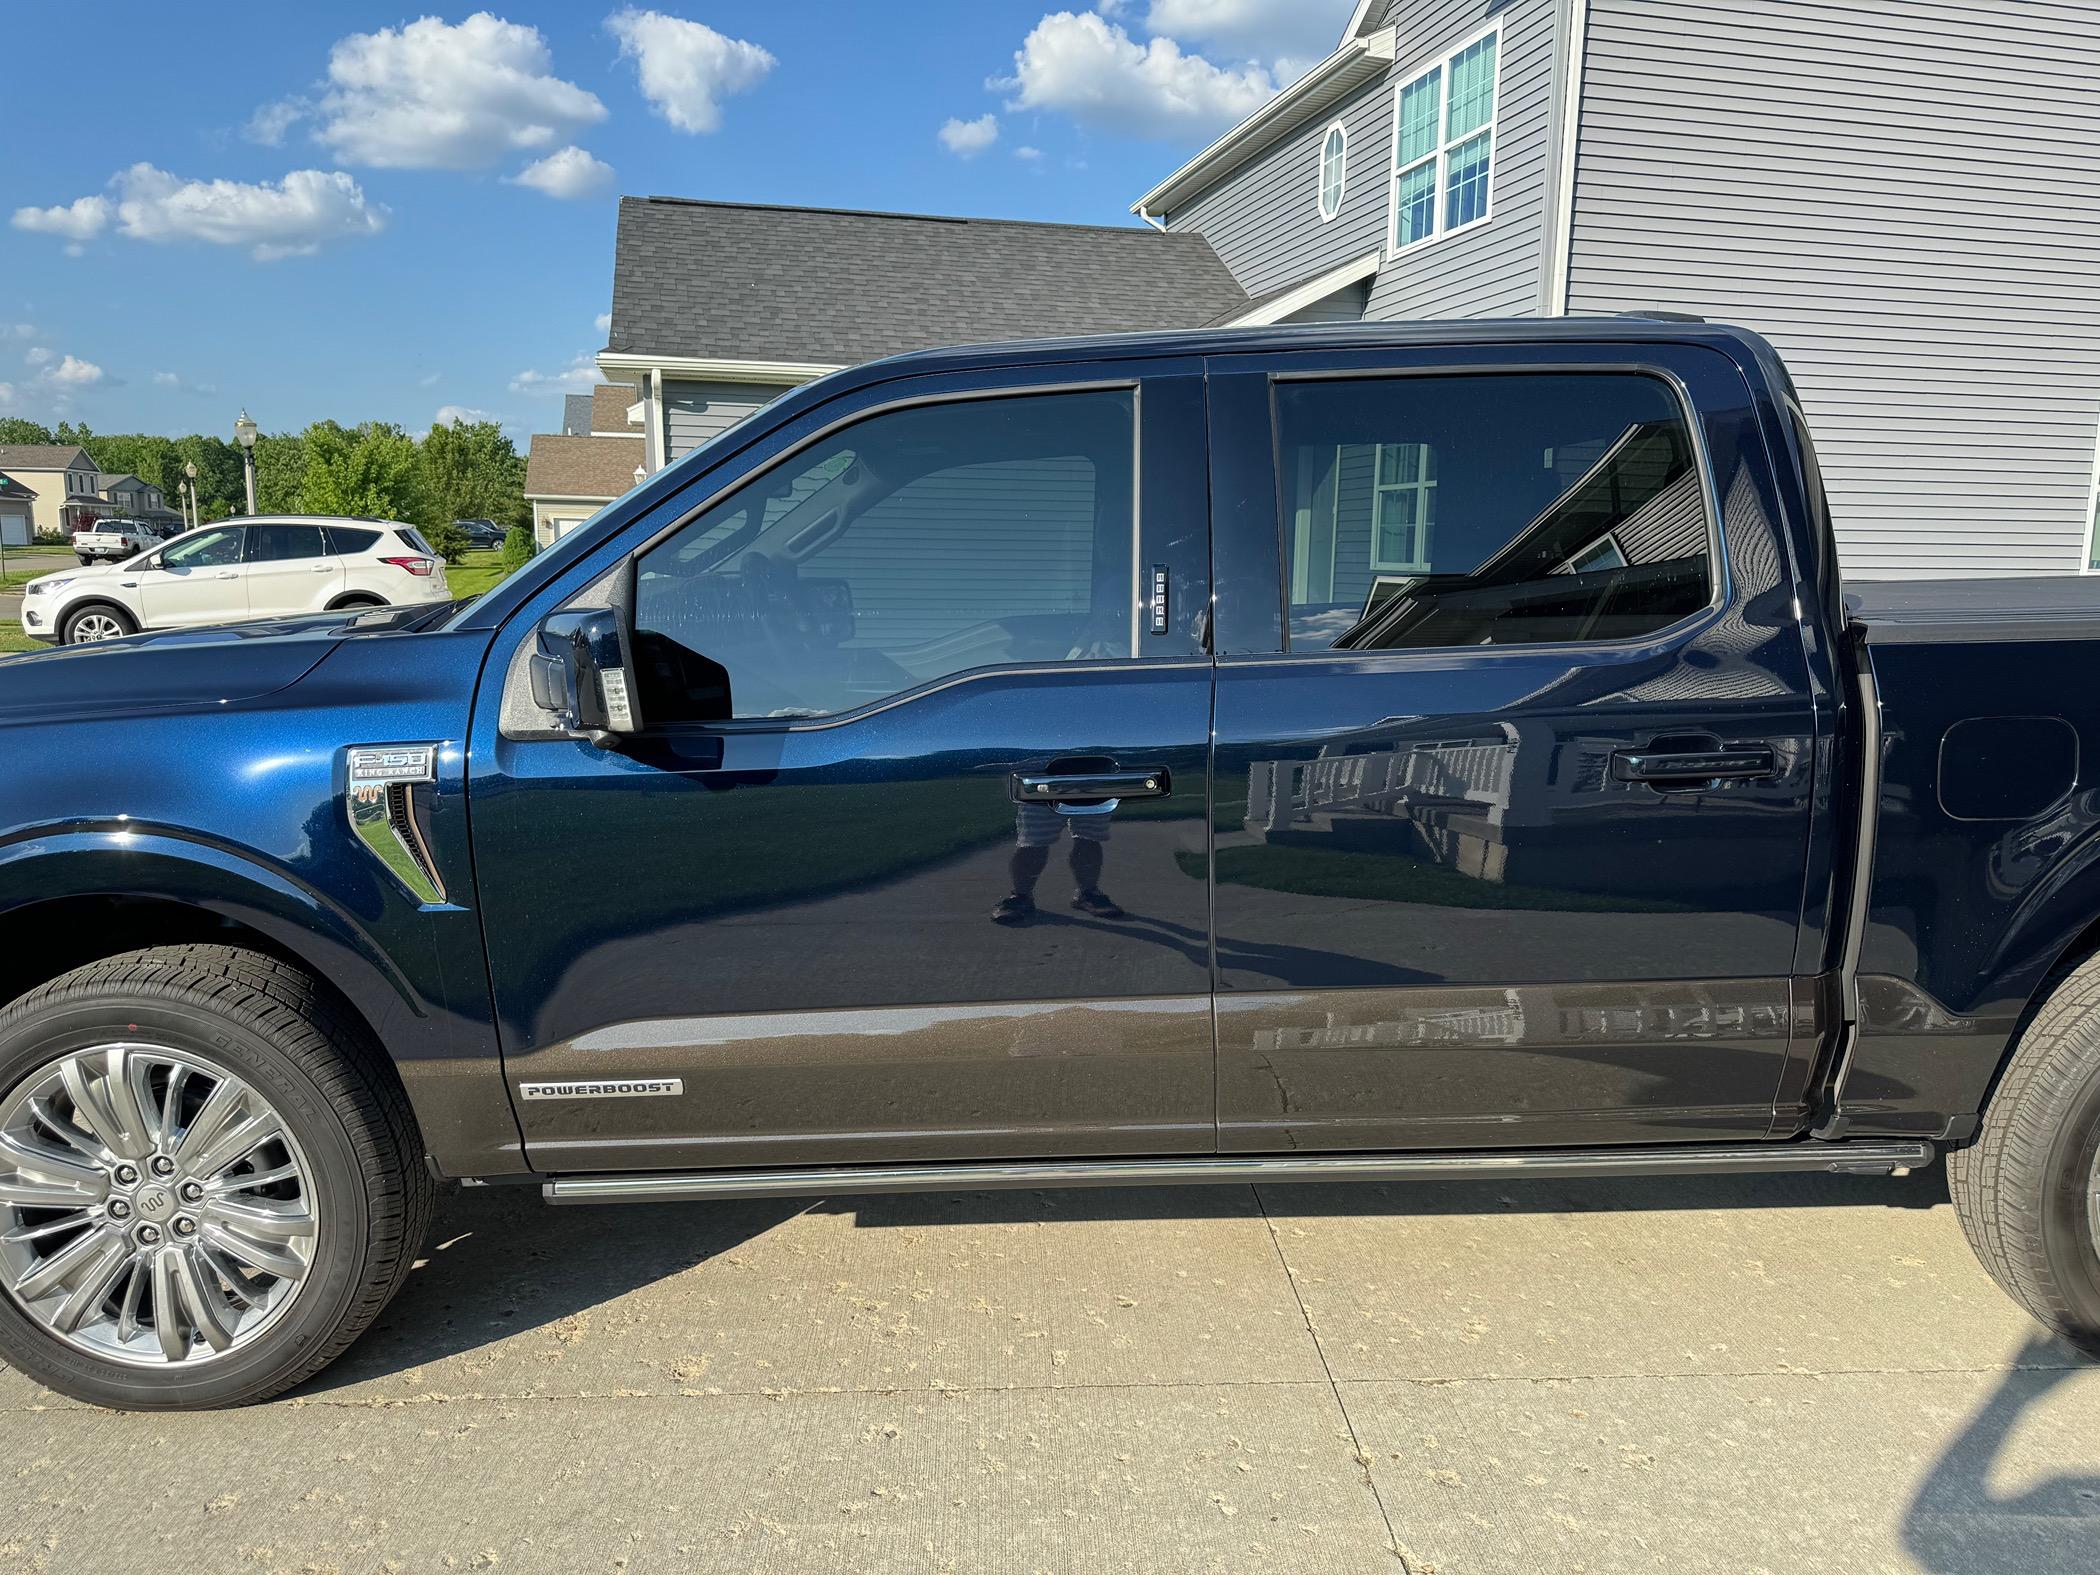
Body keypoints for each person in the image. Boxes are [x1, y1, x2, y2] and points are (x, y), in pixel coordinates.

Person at [991, 801, 1124, 924]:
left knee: (1090, 837)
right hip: (1045, 784)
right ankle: (1020, 896)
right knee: (1034, 840)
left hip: (1090, 783)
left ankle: (1088, 893)